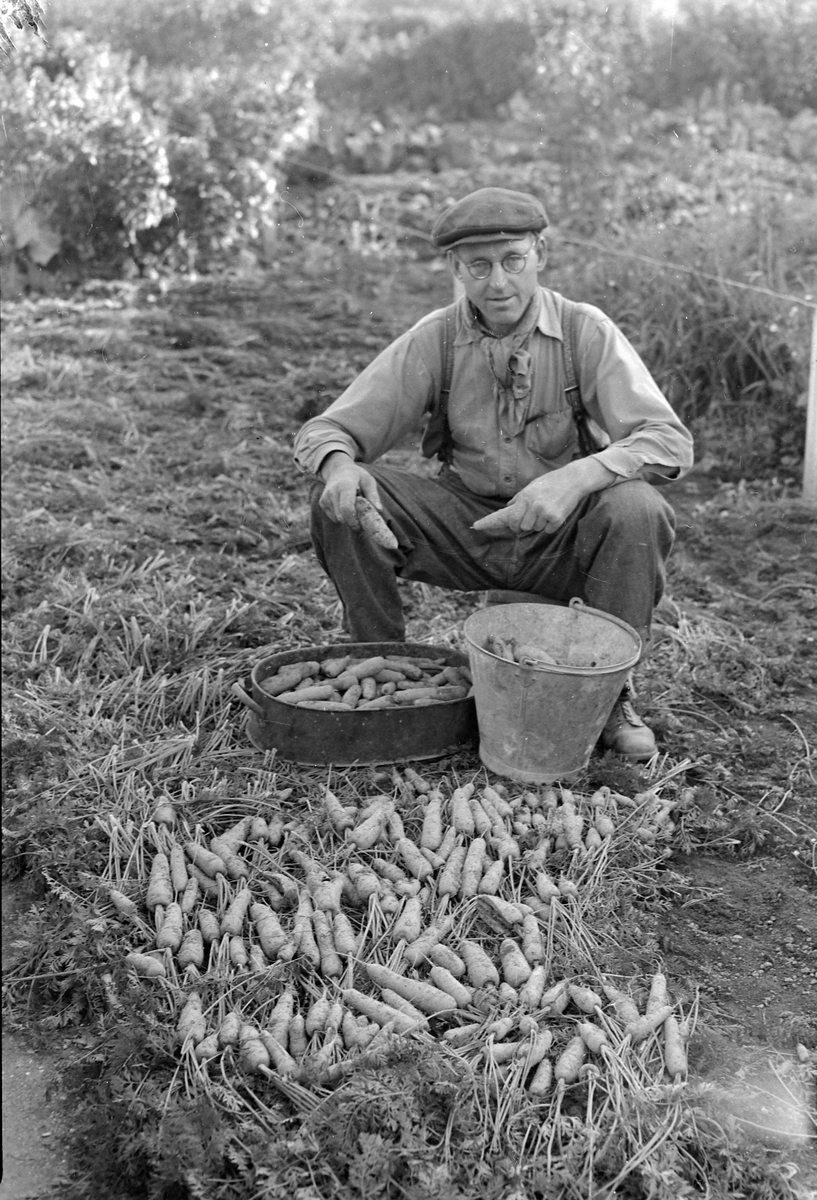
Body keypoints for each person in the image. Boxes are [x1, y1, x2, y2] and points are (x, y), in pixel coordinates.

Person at [293, 187, 694, 760]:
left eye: (513, 261)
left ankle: (609, 698)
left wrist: (576, 478)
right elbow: (328, 429)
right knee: (346, 495)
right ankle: (380, 667)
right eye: (478, 267)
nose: (498, 283)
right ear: (456, 269)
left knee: (637, 508)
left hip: (561, 539)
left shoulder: (585, 332)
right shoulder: (436, 337)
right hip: (468, 530)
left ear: (541, 255)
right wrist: (338, 467)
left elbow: (670, 440)